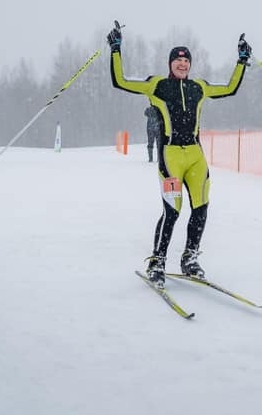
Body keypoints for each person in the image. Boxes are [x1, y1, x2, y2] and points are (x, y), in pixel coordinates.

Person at [108, 26, 251, 288]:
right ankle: (158, 261)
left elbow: (230, 88)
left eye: (186, 61)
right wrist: (115, 49)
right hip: (171, 156)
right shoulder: (157, 85)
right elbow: (120, 81)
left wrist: (242, 61)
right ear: (170, 63)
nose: (182, 64)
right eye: (178, 60)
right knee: (172, 211)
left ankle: (190, 258)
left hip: (196, 157)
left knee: (201, 208)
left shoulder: (200, 87)